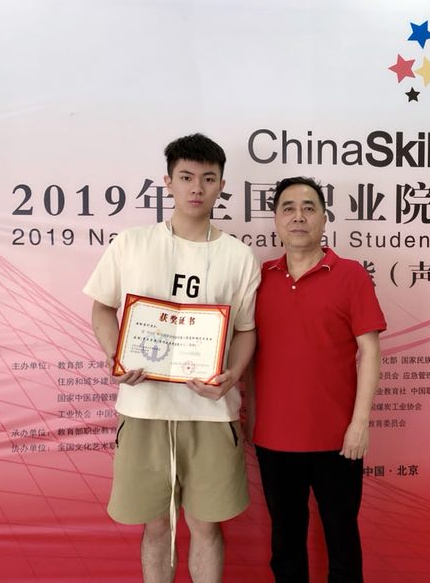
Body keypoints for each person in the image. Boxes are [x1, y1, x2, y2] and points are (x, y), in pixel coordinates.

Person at [83, 133, 260, 583]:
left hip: (211, 412)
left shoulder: (239, 256)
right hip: (143, 409)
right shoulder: (131, 243)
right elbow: (102, 308)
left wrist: (233, 374)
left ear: (221, 186)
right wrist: (117, 357)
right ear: (168, 182)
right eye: (186, 177)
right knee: (156, 525)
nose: (196, 188)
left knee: (206, 526)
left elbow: (245, 329)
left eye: (208, 178)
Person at [249, 176, 386, 583]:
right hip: (274, 440)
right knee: (285, 545)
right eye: (288, 208)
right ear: (276, 220)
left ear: (324, 218)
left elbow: (370, 351)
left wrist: (360, 424)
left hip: (338, 441)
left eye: (309, 208)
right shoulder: (260, 278)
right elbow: (247, 349)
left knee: (342, 542)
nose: (298, 217)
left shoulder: (350, 275)